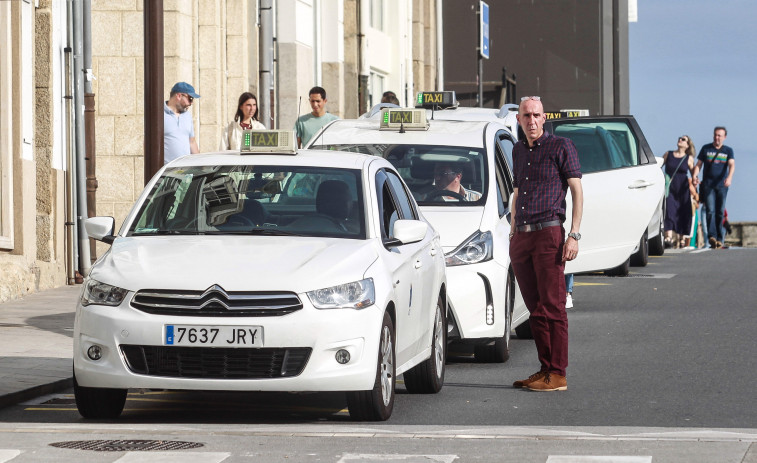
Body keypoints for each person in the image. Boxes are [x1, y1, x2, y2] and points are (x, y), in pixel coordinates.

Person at [509, 96, 583, 392]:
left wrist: (574, 235)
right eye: (526, 116)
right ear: (519, 120)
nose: (531, 121)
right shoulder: (517, 150)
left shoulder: (561, 146)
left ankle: (558, 373)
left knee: (553, 306)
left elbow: (577, 190)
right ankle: (544, 368)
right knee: (534, 308)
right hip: (522, 236)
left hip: (549, 232)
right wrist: (513, 230)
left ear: (544, 117)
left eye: (536, 115)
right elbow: (517, 191)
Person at [692, 126, 735, 249]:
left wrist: (730, 177)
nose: (717, 138)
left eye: (720, 135)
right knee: (710, 210)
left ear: (724, 137)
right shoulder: (706, 148)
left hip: (722, 185)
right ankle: (712, 237)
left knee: (720, 211)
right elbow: (698, 164)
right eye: (715, 135)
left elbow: (732, 164)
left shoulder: (728, 150)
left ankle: (720, 239)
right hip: (708, 185)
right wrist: (695, 175)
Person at [662, 135, 698, 249]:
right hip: (669, 187)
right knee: (669, 210)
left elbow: (693, 174)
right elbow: (659, 166)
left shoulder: (689, 158)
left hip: (682, 188)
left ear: (687, 145)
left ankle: (682, 238)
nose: (680, 140)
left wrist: (695, 181)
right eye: (679, 138)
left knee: (683, 211)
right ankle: (668, 237)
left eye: (683, 139)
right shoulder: (668, 154)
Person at [164, 82, 200, 164]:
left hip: (185, 172)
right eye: (190, 99)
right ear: (179, 96)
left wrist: (199, 164)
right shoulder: (159, 114)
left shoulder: (187, 116)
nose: (191, 103)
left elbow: (192, 142)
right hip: (166, 172)